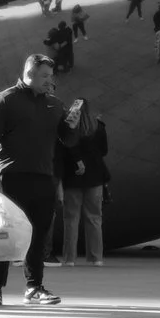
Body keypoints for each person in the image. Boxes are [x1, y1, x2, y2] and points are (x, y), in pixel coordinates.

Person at [0, 54, 83, 307]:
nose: (50, 80)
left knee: (39, 235)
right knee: (3, 233)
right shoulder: (5, 100)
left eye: (51, 75)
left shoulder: (55, 104)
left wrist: (71, 127)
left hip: (43, 178)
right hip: (10, 179)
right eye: (45, 75)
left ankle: (34, 287)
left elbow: (67, 142)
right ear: (30, 74)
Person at [57, 112, 111, 267]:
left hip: (72, 179)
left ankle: (69, 259)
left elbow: (63, 152)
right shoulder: (98, 127)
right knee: (94, 218)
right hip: (94, 178)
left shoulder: (68, 130)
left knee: (71, 219)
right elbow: (104, 150)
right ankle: (96, 258)